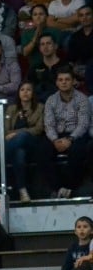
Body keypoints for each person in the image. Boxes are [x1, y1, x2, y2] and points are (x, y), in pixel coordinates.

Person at [43, 66, 90, 198]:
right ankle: (55, 188)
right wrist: (54, 140)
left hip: (76, 134)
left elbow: (83, 124)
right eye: (61, 80)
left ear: (73, 81)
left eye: (67, 79)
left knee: (78, 150)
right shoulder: (51, 100)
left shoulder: (82, 99)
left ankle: (70, 187)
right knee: (42, 150)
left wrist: (70, 139)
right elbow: (49, 124)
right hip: (56, 136)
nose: (64, 82)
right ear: (56, 82)